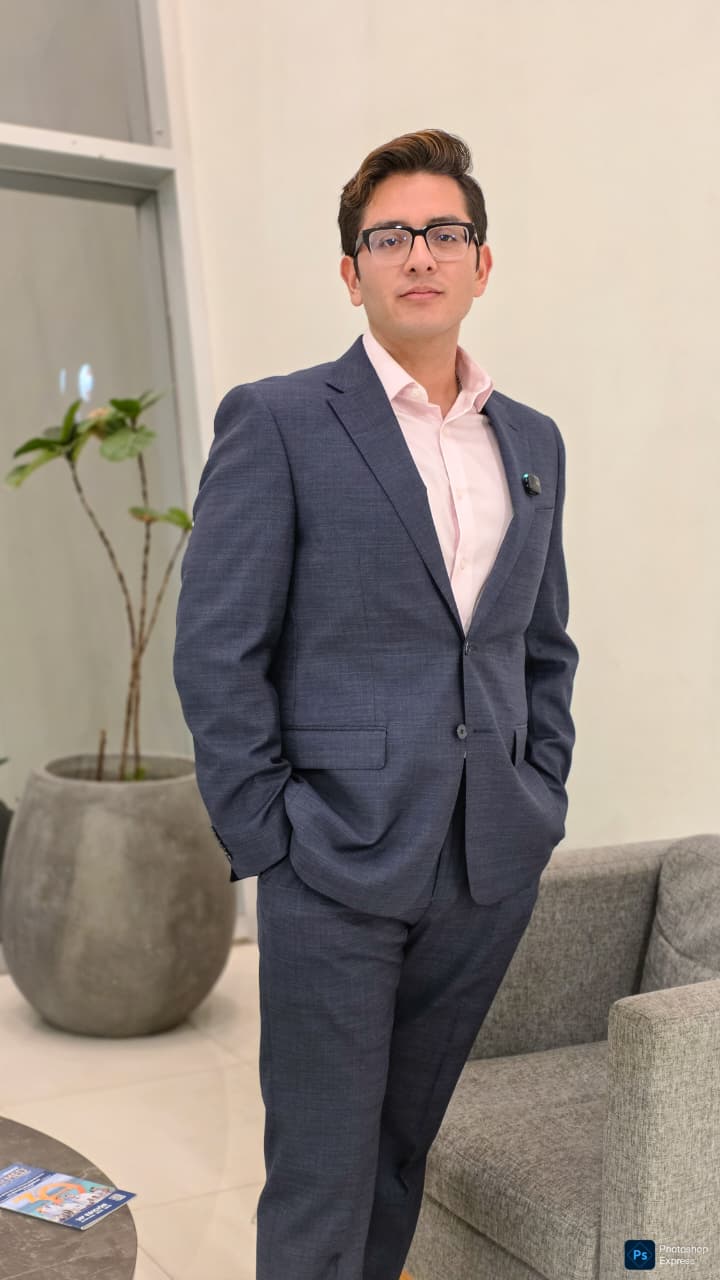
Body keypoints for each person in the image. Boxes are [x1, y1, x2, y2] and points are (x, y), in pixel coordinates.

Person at [173, 127, 579, 1280]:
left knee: (404, 1151)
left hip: (487, 857)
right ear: (352, 271)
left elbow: (542, 641)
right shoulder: (284, 419)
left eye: (443, 232)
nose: (419, 253)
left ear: (481, 263)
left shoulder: (533, 441)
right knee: (322, 1166)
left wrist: (538, 788)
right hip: (333, 859)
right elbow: (218, 648)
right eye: (388, 235)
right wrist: (273, 839)